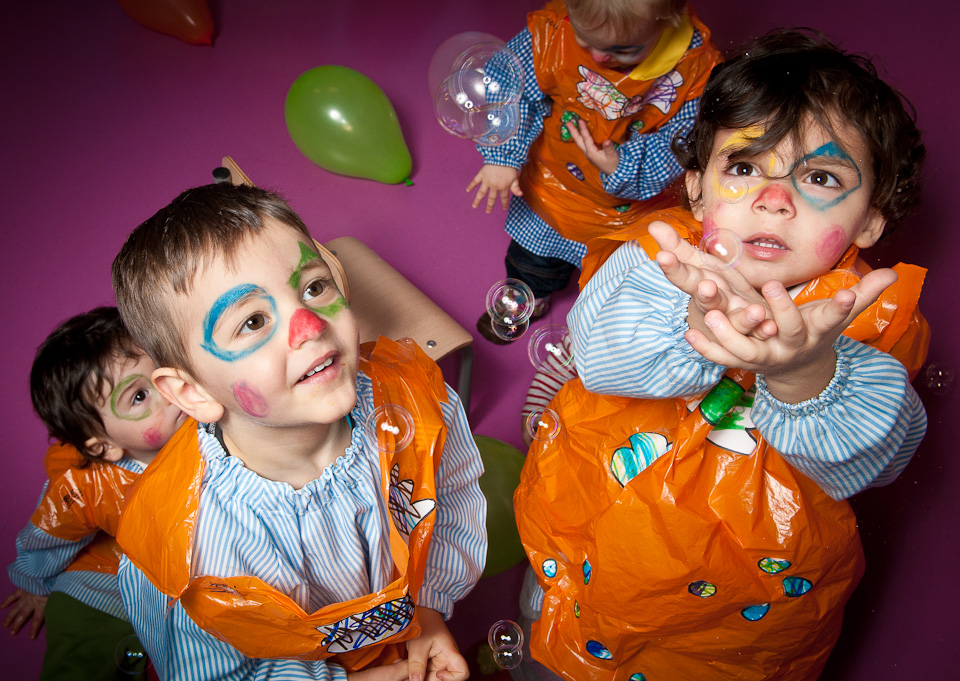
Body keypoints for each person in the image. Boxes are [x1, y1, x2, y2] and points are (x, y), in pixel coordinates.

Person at [512, 30, 929, 680]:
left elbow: (882, 461)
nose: (773, 197)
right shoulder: (660, 256)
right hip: (585, 524)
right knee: (549, 620)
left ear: (869, 221)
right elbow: (596, 355)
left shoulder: (870, 316)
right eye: (744, 166)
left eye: (818, 176)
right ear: (697, 189)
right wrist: (692, 320)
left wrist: (805, 375)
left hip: (730, 616)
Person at [110, 183, 487, 681]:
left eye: (313, 287)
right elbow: (215, 673)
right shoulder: (186, 547)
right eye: (253, 321)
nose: (309, 325)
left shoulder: (413, 399)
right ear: (193, 393)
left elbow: (453, 490)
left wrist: (430, 610)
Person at [467, 0, 721, 343]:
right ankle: (531, 298)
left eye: (623, 49)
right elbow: (506, 83)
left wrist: (622, 166)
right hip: (553, 186)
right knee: (531, 263)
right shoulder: (553, 34)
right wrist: (502, 154)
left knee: (612, 277)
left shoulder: (697, 70)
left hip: (628, 207)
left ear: (670, 19)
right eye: (585, 41)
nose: (599, 57)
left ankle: (594, 316)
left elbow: (682, 144)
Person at [3, 306, 187, 680]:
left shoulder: (208, 425)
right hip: (101, 585)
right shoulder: (90, 486)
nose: (169, 393)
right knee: (85, 649)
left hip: (180, 588)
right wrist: (34, 584)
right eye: (139, 397)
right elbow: (48, 533)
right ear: (104, 446)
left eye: (162, 371)